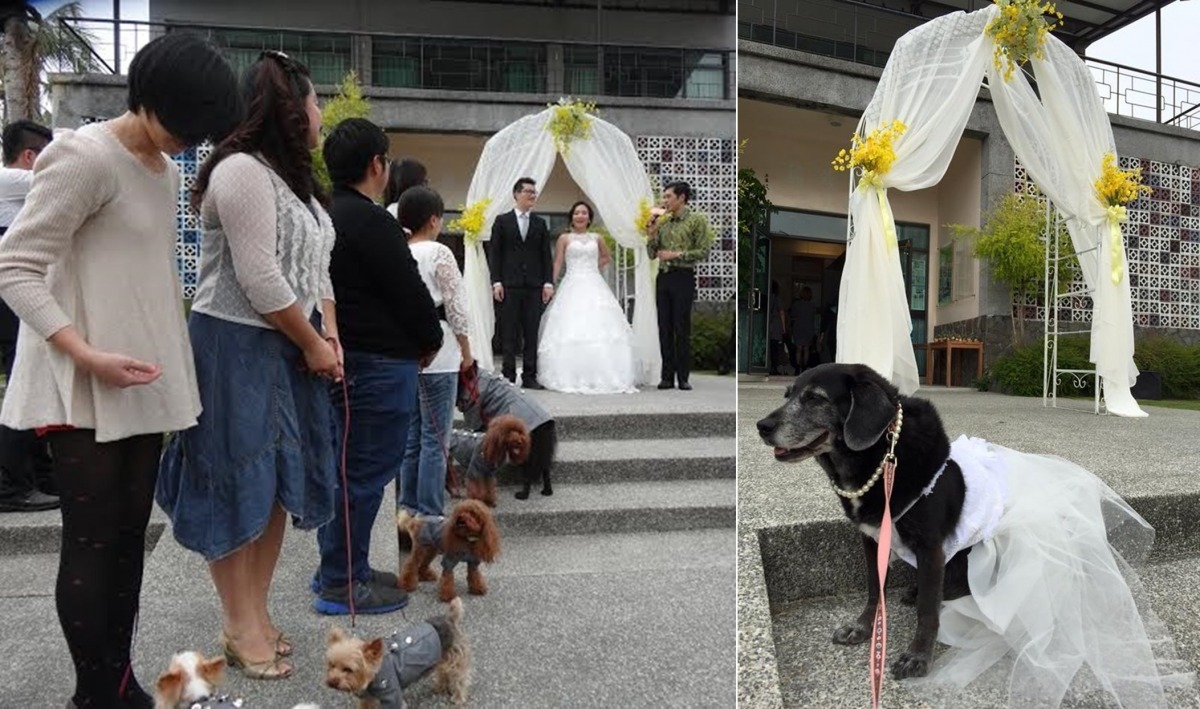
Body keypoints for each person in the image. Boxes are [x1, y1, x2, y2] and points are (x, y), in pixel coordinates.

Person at [0, 33, 239, 708]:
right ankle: (94, 693)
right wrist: (83, 352)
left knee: (132, 538)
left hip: (140, 377)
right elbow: (15, 267)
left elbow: (141, 275)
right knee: (92, 538)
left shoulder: (162, 169)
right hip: (83, 380)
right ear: (150, 96)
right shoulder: (82, 155)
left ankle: (119, 679)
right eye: (184, 123)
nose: (189, 140)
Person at [156, 49, 339, 681]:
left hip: (291, 342)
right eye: (315, 100)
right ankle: (237, 624)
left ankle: (255, 612)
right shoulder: (240, 171)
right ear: (290, 107)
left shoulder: (292, 182)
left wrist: (328, 335)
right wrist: (312, 343)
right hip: (233, 345)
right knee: (236, 481)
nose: (321, 112)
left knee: (278, 485)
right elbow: (260, 278)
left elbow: (315, 273)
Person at [314, 118, 443, 616]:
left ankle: (345, 567)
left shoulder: (325, 214)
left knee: (347, 469)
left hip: (345, 359)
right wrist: (430, 340)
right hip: (378, 365)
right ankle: (342, 582)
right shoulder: (372, 221)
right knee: (364, 475)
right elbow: (409, 294)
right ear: (376, 164)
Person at [396, 184, 473, 531]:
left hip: (405, 352)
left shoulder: (398, 251)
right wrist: (467, 352)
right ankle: (430, 514)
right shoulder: (439, 252)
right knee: (436, 437)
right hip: (439, 353)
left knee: (412, 435)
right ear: (433, 219)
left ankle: (407, 509)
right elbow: (455, 306)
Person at [0, 119, 57, 513]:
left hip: (14, 292)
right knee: (23, 380)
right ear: (29, 156)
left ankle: (39, 475)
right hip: (8, 293)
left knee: (28, 377)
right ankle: (8, 485)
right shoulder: (10, 178)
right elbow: (63, 176)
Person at [537, 201, 637, 394]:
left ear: (589, 218)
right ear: (572, 217)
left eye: (584, 213)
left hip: (594, 282)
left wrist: (591, 267)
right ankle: (570, 374)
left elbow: (606, 257)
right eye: (576, 213)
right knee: (571, 327)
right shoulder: (564, 238)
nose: (580, 216)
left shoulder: (597, 238)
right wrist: (550, 283)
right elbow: (557, 262)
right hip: (571, 283)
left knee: (600, 325)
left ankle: (602, 373)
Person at [647, 180, 715, 391]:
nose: (665, 200)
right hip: (664, 277)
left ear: (682, 198)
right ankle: (666, 377)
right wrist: (651, 233)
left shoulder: (696, 220)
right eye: (664, 197)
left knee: (681, 327)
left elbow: (704, 251)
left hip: (683, 277)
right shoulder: (663, 222)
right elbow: (651, 254)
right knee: (664, 327)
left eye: (668, 196)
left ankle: (683, 377)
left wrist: (676, 254)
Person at [489, 177, 553, 389]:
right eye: (528, 191)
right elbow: (495, 254)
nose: (532, 195)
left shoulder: (540, 223)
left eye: (534, 192)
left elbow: (546, 255)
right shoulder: (502, 221)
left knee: (531, 331)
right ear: (516, 194)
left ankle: (529, 375)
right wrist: (496, 281)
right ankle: (508, 374)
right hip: (509, 284)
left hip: (534, 285)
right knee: (509, 331)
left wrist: (548, 282)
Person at [458, 364, 555, 500]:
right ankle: (546, 485)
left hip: (525, 419)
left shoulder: (472, 389)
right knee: (541, 456)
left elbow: (475, 424)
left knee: (527, 456)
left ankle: (525, 487)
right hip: (541, 417)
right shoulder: (484, 380)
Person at [789, 286, 817, 374]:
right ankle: (804, 368)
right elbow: (814, 318)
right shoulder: (812, 306)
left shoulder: (796, 305)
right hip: (809, 328)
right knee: (806, 349)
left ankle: (798, 368)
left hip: (798, 327)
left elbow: (792, 316)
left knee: (798, 348)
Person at [767, 280, 786, 376]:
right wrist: (783, 327)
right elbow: (781, 312)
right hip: (776, 324)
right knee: (776, 347)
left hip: (768, 323)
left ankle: (769, 366)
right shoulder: (777, 299)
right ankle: (775, 367)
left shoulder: (766, 298)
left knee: (769, 347)